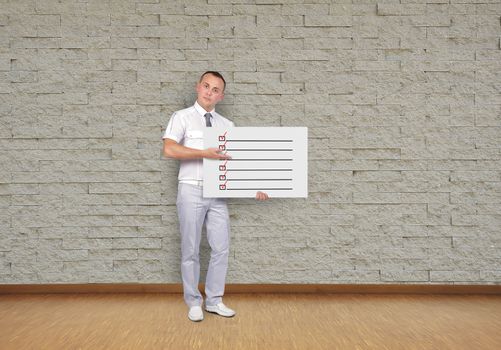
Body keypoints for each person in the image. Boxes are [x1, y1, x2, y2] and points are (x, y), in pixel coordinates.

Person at [162, 71, 269, 322]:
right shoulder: (182, 117)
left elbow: (235, 164)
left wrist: (255, 188)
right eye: (206, 86)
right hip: (191, 188)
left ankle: (214, 301)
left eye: (215, 89)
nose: (209, 92)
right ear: (198, 87)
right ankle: (193, 302)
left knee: (221, 247)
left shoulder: (226, 125)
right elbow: (169, 149)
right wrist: (203, 153)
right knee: (190, 247)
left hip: (218, 193)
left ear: (221, 95)